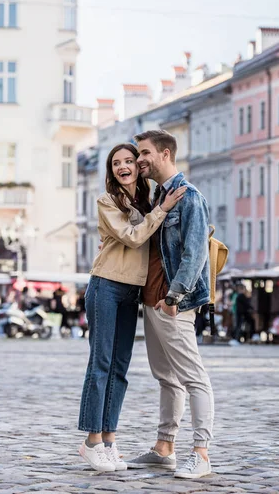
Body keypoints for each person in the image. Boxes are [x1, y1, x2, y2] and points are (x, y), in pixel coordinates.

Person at [78, 143, 186, 472]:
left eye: (129, 161)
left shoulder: (148, 199)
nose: (123, 166)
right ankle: (91, 441)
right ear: (111, 171)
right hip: (106, 285)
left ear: (139, 167)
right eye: (116, 163)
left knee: (120, 368)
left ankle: (109, 440)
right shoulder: (107, 201)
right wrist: (162, 211)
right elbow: (134, 237)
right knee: (101, 364)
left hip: (132, 291)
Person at [127, 129, 214, 480]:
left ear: (165, 154)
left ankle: (201, 453)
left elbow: (195, 255)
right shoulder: (157, 197)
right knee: (165, 377)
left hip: (172, 301)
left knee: (193, 377)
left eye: (144, 153)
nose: (139, 160)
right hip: (151, 300)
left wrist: (175, 297)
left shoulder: (190, 197)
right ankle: (164, 448)